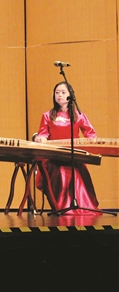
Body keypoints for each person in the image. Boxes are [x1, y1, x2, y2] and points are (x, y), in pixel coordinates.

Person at [34, 81, 100, 214]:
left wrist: (92, 143)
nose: (59, 95)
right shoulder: (47, 115)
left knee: (78, 174)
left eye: (63, 92)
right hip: (54, 157)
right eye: (57, 92)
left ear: (70, 95)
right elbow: (43, 134)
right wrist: (40, 138)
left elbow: (90, 134)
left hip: (73, 156)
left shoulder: (79, 115)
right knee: (61, 174)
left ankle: (80, 206)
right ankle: (62, 208)